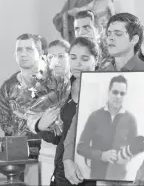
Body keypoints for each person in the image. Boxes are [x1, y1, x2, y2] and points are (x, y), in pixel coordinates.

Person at [63, 13, 144, 186]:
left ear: (134, 39)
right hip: (101, 173)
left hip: (137, 172)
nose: (110, 38)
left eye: (118, 34)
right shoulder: (99, 76)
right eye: (109, 34)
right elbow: (78, 120)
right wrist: (67, 158)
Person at [34, 37, 99, 186]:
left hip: (94, 170)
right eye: (73, 57)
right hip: (64, 171)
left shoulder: (105, 88)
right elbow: (57, 137)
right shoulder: (62, 89)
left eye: (84, 58)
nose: (78, 63)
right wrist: (41, 126)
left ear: (95, 59)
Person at [76, 75, 144, 180]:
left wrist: (126, 156)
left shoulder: (130, 119)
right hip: (97, 177)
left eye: (122, 93)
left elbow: (134, 148)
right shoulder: (95, 116)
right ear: (108, 92)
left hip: (120, 178)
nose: (118, 96)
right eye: (115, 92)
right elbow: (80, 147)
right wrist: (101, 155)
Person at [0, 33, 45, 157]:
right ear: (15, 55)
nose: (23, 54)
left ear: (40, 53)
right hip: (18, 152)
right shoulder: (8, 86)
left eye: (29, 49)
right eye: (19, 50)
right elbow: (5, 124)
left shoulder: (51, 82)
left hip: (48, 150)